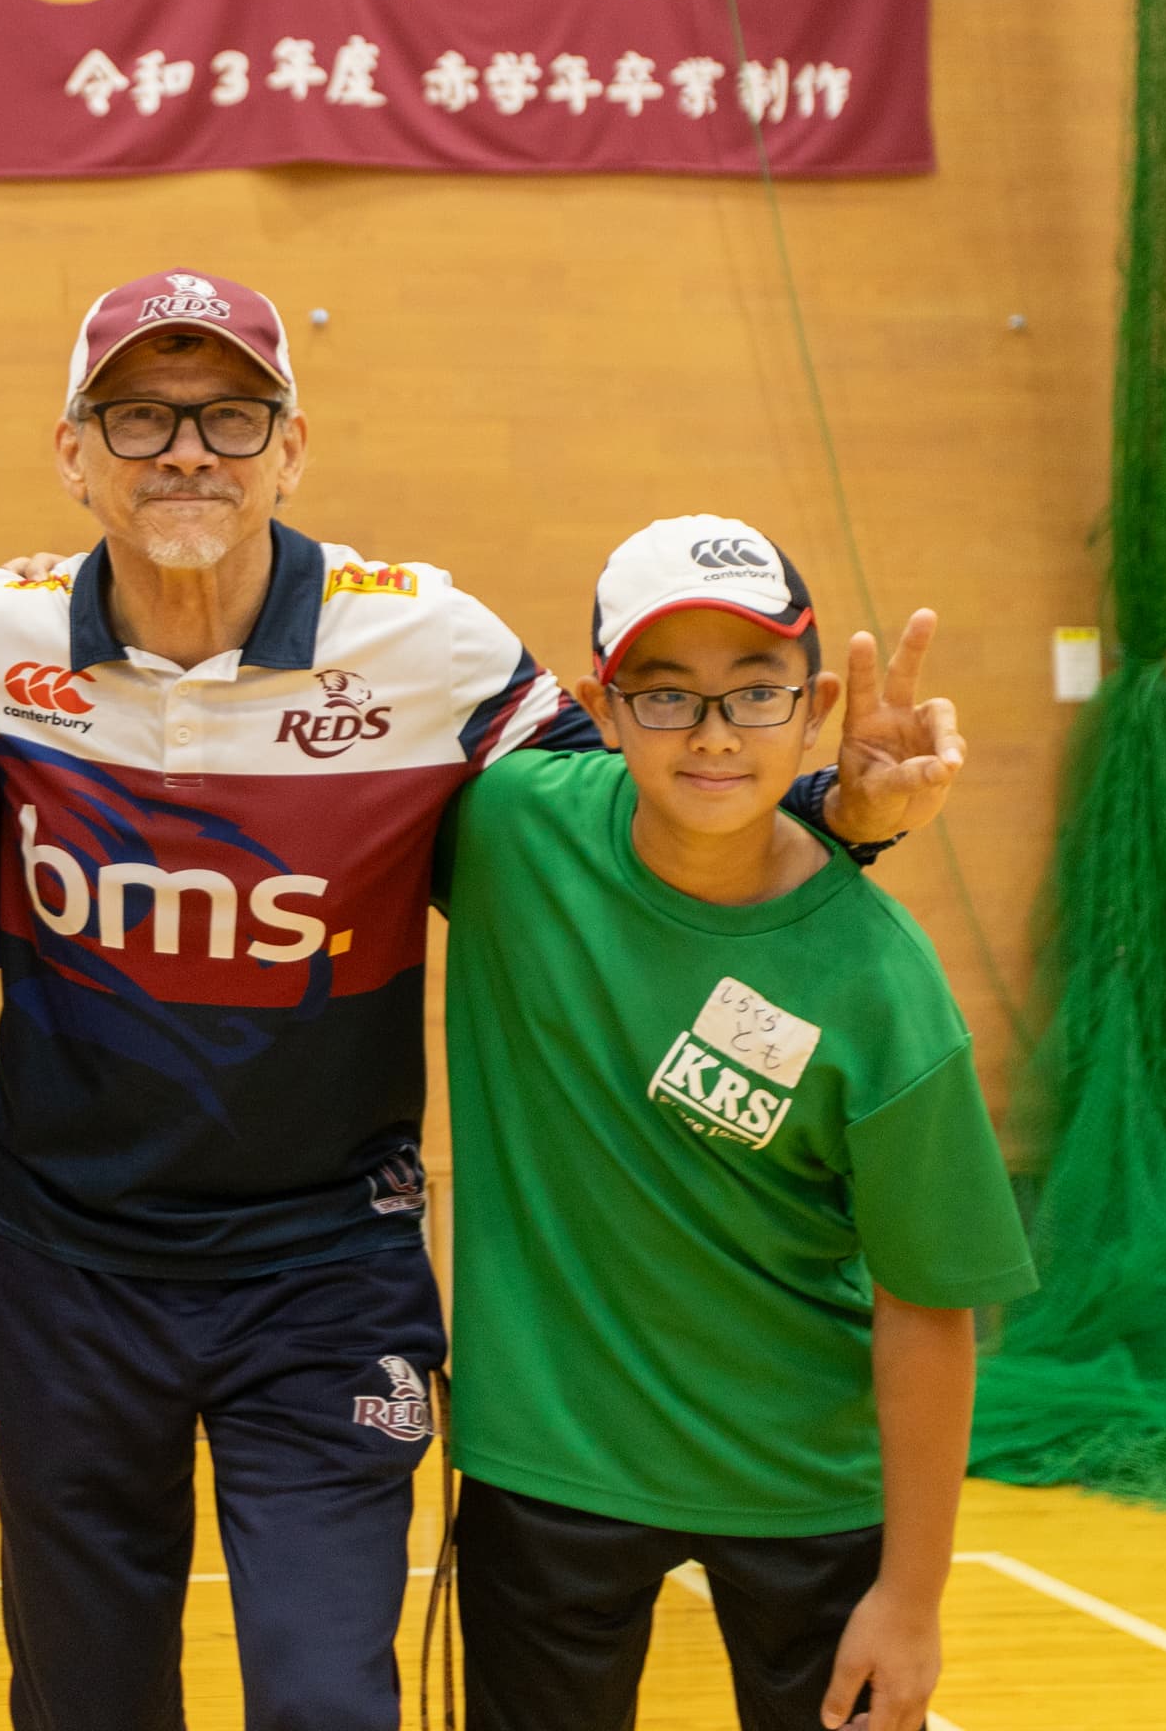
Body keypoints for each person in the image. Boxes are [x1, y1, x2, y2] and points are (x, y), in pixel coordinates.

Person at [0, 266, 964, 1731]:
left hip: (327, 1270)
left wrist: (838, 806)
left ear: (294, 450)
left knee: (325, 1697)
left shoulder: (431, 650)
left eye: (232, 416)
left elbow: (644, 801)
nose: (186, 449)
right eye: (137, 417)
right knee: (88, 1703)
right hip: (67, 1269)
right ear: (71, 455)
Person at [435, 519, 1032, 1731]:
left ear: (812, 708)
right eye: (668, 696)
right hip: (550, 1467)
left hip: (808, 1491)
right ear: (601, 705)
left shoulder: (883, 984)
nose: (713, 733)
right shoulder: (510, 834)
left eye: (755, 694)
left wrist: (912, 1600)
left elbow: (930, 1304)